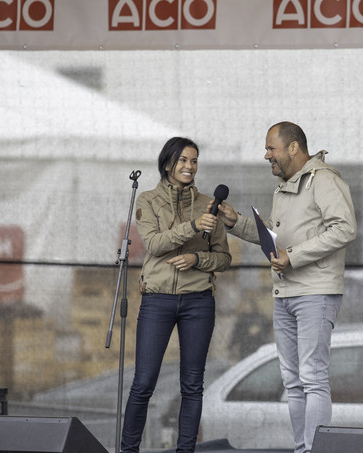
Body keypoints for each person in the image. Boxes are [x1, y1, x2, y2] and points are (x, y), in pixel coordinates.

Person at [216, 122, 356, 453]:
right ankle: (301, 448)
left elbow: (345, 228)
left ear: (293, 147)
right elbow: (276, 239)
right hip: (285, 293)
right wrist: (237, 223)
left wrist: (293, 257)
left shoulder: (323, 180)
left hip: (315, 291)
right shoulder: (284, 186)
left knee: (312, 378)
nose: (266, 155)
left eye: (271, 148)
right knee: (293, 382)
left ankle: (313, 450)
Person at [121, 137, 232, 453]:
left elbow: (224, 258)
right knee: (143, 383)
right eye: (183, 160)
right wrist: (194, 226)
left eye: (194, 161)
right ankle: (128, 450)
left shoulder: (209, 204)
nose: (189, 166)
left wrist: (197, 259)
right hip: (157, 300)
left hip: (198, 301)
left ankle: (186, 451)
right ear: (168, 163)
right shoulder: (148, 200)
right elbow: (155, 244)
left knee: (192, 385)